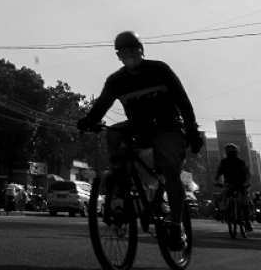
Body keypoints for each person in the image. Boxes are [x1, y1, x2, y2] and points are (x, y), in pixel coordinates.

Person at [77, 31, 204, 252]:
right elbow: (101, 106)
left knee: (169, 171)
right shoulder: (116, 81)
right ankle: (120, 177)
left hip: (167, 125)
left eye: (133, 50)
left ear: (141, 50)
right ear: (118, 56)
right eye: (123, 53)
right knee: (113, 133)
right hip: (138, 126)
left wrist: (192, 130)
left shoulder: (159, 70)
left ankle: (176, 226)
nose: (129, 56)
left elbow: (183, 102)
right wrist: (88, 120)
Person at [214, 143, 253, 232]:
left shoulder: (241, 162)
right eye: (229, 152)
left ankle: (247, 221)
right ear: (226, 153)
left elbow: (247, 173)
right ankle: (224, 212)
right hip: (228, 185)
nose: (230, 154)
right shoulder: (223, 162)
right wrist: (215, 181)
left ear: (236, 152)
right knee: (223, 193)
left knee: (244, 202)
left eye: (232, 152)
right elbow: (218, 173)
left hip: (241, 186)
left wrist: (246, 182)